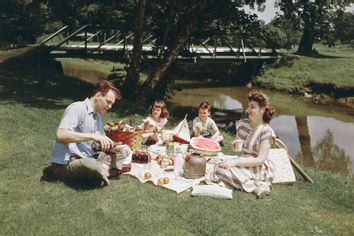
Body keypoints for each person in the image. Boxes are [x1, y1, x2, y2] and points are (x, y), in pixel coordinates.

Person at [42, 80, 126, 187]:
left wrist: (116, 147)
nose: (110, 107)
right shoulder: (77, 108)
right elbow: (61, 135)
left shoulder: (97, 116)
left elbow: (98, 144)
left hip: (87, 157)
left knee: (121, 153)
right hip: (67, 162)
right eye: (108, 102)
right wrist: (92, 136)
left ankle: (101, 172)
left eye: (111, 104)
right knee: (93, 166)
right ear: (98, 95)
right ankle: (103, 171)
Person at [205, 91, 276, 199]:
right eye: (248, 107)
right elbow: (241, 147)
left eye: (253, 107)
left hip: (257, 166)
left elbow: (260, 159)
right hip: (244, 159)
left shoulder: (266, 131)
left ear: (262, 109)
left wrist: (236, 162)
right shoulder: (244, 124)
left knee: (220, 170)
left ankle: (253, 188)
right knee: (219, 165)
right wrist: (236, 146)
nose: (248, 110)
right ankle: (248, 182)